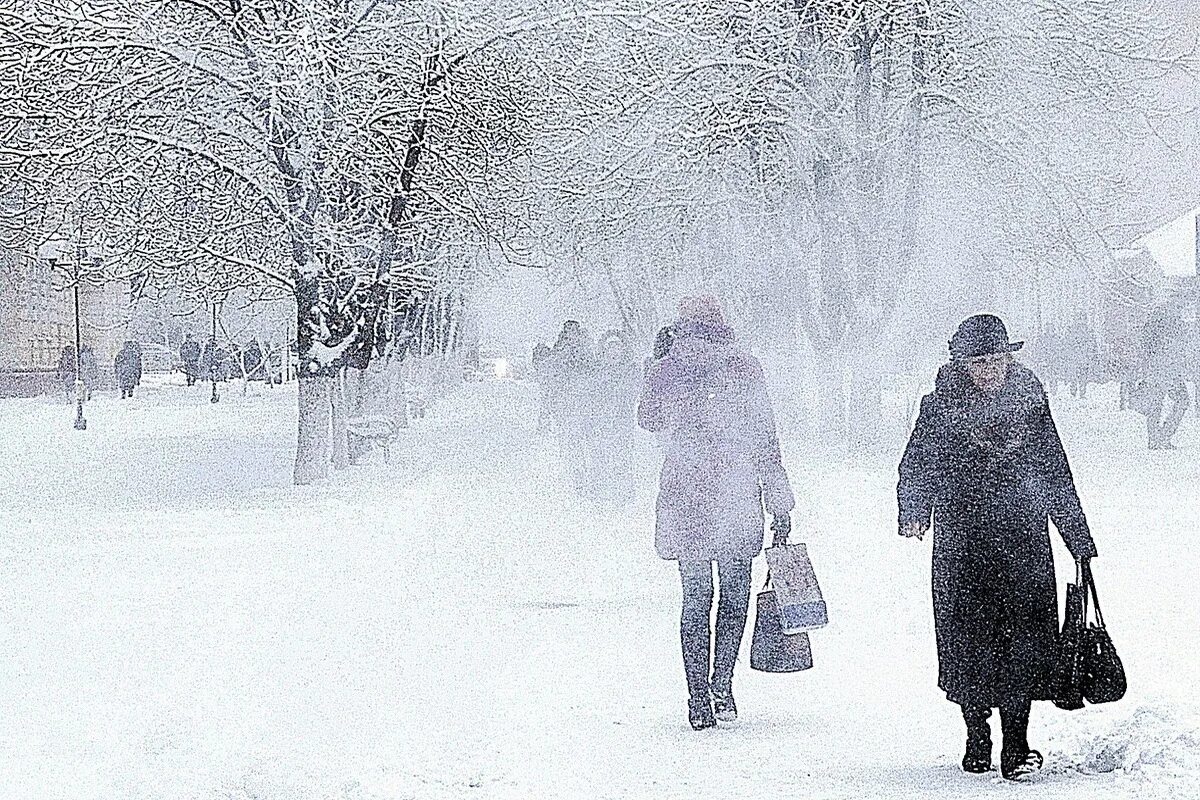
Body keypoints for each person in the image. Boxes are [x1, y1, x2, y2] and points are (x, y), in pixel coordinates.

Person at [897, 314, 1098, 781]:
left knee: (1024, 640)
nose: (990, 369)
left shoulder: (1030, 403)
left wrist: (1078, 536)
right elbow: (917, 462)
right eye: (979, 361)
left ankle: (1017, 742)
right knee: (969, 640)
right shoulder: (940, 407)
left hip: (1022, 537)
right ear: (963, 364)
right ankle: (976, 733)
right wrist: (913, 508)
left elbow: (1054, 470)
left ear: (1010, 357)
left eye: (998, 358)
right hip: (962, 541)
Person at [639, 296, 795, 731]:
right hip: (738, 489)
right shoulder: (744, 366)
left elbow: (647, 420)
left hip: (685, 492)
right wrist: (779, 498)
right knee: (734, 593)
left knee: (695, 597)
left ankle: (696, 697)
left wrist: (659, 365)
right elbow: (765, 434)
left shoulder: (667, 367)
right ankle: (721, 684)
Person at [1139, 306, 1190, 450]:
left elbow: (1146, 349)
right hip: (1168, 370)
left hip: (1157, 370)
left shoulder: (1152, 324)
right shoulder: (1172, 323)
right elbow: (1178, 347)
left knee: (1156, 404)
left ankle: (1155, 438)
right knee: (1182, 401)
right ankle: (1163, 435)